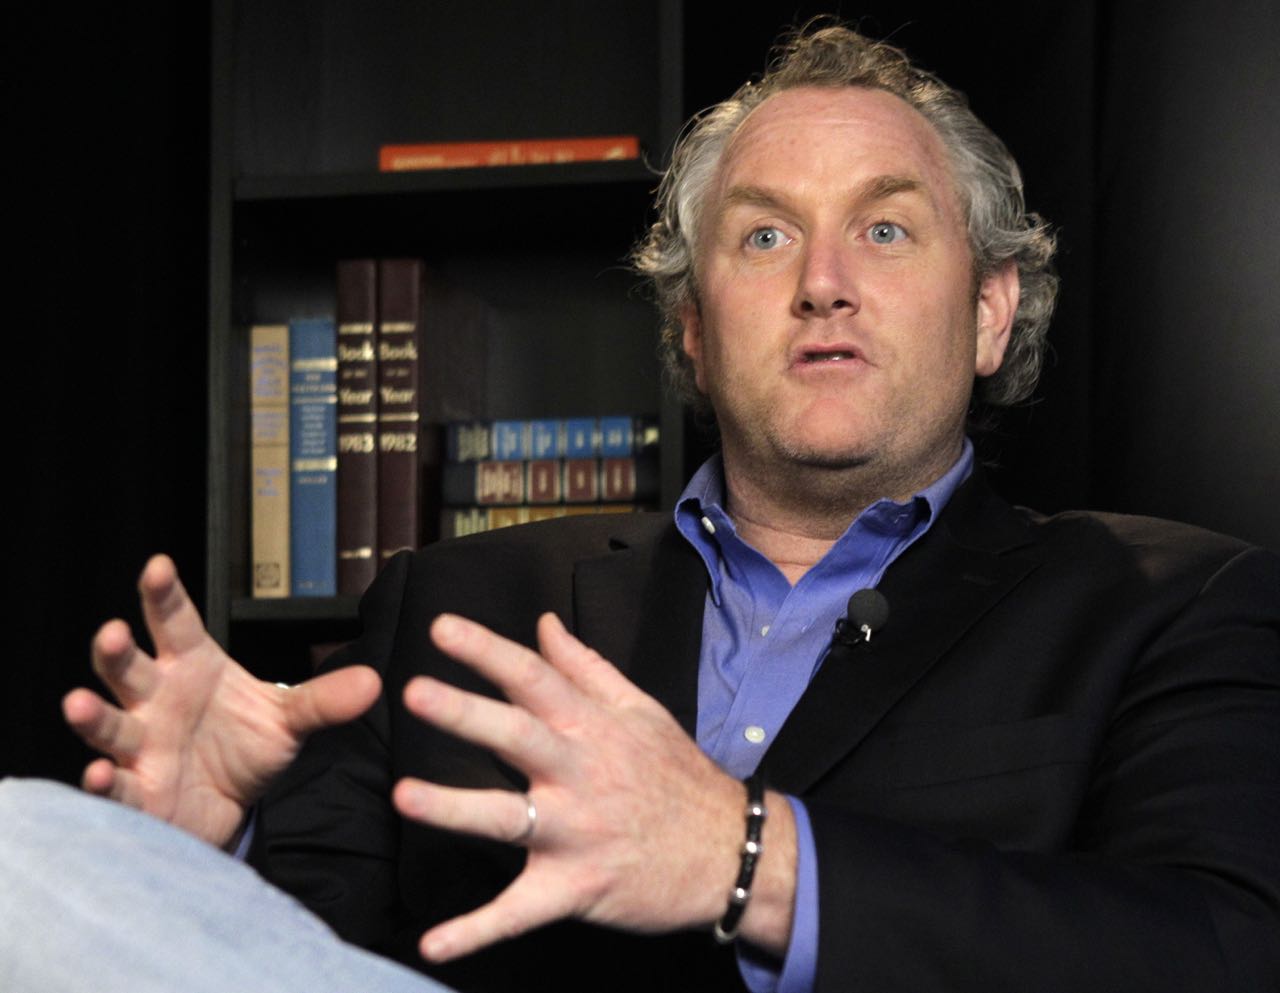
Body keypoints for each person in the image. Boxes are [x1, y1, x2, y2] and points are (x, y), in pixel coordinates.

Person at [46, 21, 1280, 993]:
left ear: (988, 314)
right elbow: (319, 959)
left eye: (886, 229)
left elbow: (1220, 951)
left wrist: (749, 858)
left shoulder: (1168, 605)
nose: (823, 285)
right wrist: (200, 859)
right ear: (692, 330)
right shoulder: (458, 604)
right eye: (761, 239)